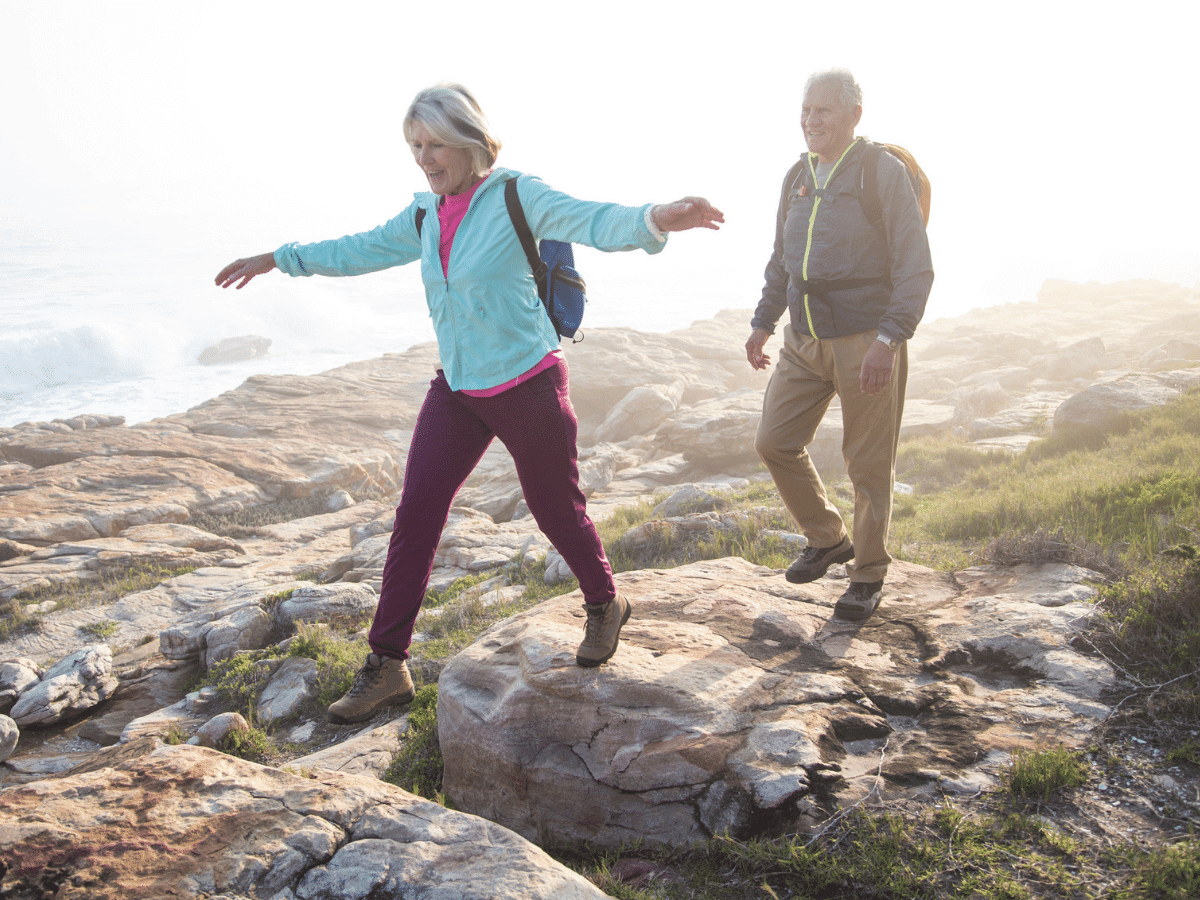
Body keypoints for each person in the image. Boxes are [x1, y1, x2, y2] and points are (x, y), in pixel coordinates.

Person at [216, 84, 723, 724]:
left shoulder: (516, 193)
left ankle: (603, 601)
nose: (425, 159)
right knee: (417, 514)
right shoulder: (426, 213)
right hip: (458, 388)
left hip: (527, 381)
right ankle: (387, 664)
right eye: (415, 146)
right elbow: (358, 249)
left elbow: (590, 219)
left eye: (435, 145)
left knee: (555, 508)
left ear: (468, 141)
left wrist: (656, 219)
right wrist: (277, 259)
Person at [745, 69, 932, 622]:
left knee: (867, 463)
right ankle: (827, 537)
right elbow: (783, 257)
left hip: (865, 339)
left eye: (823, 110)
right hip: (802, 338)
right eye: (806, 109)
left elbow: (914, 264)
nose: (811, 120)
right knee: (774, 441)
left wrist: (890, 338)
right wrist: (762, 322)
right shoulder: (795, 176)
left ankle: (868, 573)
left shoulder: (881, 172)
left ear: (853, 115)